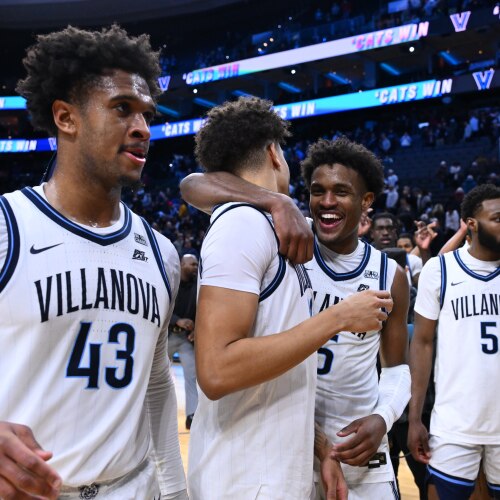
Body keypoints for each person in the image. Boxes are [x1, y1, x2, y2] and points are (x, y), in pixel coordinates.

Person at [0, 25, 186, 499]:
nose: (143, 128)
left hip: (134, 487)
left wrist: (176, 492)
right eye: (122, 108)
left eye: (147, 114)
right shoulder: (7, 225)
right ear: (66, 118)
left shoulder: (161, 252)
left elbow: (156, 384)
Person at [184, 98, 393, 500]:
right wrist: (339, 317)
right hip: (247, 478)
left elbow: (276, 372)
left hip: (272, 468)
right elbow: (216, 371)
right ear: (273, 153)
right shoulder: (243, 223)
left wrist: (321, 448)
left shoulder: (272, 225)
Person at [408, 183, 500, 500]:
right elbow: (422, 344)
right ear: (471, 224)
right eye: (497, 218)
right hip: (454, 424)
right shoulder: (440, 269)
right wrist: (415, 417)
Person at [168, 253, 199, 429]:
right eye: (192, 264)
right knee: (155, 375)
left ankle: (191, 416)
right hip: (167, 336)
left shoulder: (198, 286)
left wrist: (196, 329)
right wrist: (177, 320)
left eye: (196, 265)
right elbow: (161, 306)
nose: (195, 267)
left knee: (191, 377)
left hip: (186, 338)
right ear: (181, 264)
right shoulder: (171, 282)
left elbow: (203, 311)